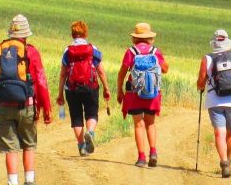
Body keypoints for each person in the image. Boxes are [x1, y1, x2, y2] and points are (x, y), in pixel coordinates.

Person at [0, 14, 52, 185]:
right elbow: (40, 81)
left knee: (10, 147)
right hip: (27, 106)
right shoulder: (31, 52)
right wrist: (46, 108)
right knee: (29, 144)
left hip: (3, 106)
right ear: (26, 34)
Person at [196, 29, 231, 178]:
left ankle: (224, 163)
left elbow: (201, 82)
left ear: (213, 43)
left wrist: (200, 87)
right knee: (230, 133)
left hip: (215, 101)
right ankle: (228, 159)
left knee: (219, 133)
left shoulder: (207, 58)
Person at [117, 22, 169, 168]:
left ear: (135, 38)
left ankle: (141, 158)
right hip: (152, 92)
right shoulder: (155, 51)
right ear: (149, 37)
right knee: (150, 123)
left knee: (138, 124)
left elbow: (122, 73)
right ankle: (153, 152)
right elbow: (165, 69)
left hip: (134, 93)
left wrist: (120, 90)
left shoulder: (131, 52)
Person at [56, 20, 111, 157]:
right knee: (91, 113)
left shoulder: (67, 51)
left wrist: (60, 93)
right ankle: (90, 132)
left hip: (72, 88)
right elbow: (100, 71)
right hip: (91, 87)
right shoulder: (93, 49)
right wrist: (106, 88)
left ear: (72, 34)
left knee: (76, 117)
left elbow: (63, 74)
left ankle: (81, 146)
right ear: (86, 33)